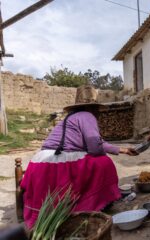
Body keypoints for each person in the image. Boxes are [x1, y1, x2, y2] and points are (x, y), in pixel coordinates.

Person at [21, 85, 138, 229]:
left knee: (92, 159)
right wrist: (112, 150)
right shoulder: (87, 116)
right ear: (92, 107)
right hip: (57, 163)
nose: (98, 113)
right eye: (96, 109)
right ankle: (94, 202)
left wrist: (123, 150)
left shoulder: (72, 117)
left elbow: (96, 143)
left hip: (39, 163)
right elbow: (95, 147)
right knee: (103, 162)